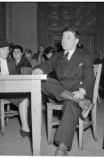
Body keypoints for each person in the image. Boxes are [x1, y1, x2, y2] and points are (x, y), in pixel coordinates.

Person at [32, 27, 94, 156]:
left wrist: (82, 91)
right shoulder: (57, 56)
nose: (64, 40)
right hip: (60, 91)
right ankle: (82, 102)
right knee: (41, 81)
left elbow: (89, 75)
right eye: (63, 37)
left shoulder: (85, 55)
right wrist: (38, 70)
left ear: (77, 40)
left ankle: (62, 148)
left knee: (71, 105)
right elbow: (45, 65)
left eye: (68, 37)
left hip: (78, 90)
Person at [0, 38, 31, 137]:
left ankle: (25, 127)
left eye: (7, 49)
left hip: (9, 89)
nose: (6, 51)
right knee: (23, 97)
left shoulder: (11, 62)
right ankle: (26, 124)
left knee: (25, 97)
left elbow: (13, 77)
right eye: (3, 49)